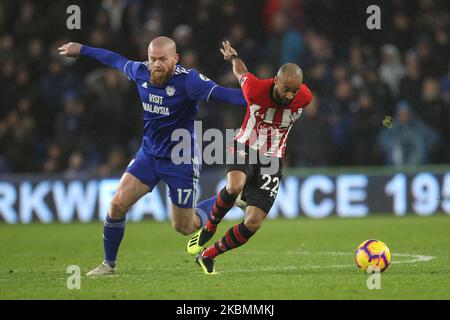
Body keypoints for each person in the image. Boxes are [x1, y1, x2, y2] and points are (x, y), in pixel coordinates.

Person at [58, 37, 246, 276]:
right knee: (117, 205)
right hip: (149, 154)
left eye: (162, 60)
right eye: (152, 59)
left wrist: (264, 97)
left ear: (175, 59)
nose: (156, 64)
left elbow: (227, 96)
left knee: (185, 227)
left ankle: (229, 198)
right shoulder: (140, 71)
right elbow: (114, 60)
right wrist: (82, 49)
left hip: (181, 160)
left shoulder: (189, 81)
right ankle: (109, 264)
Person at [187, 41, 312, 274]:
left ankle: (209, 254)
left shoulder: (304, 96)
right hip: (246, 144)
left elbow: (297, 96)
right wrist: (234, 57)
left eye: (294, 90)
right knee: (235, 186)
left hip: (273, 159)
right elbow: (241, 72)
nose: (290, 95)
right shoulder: (255, 89)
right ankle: (211, 225)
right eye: (286, 88)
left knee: (253, 222)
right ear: (276, 81)